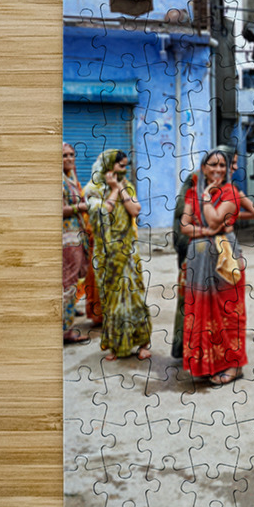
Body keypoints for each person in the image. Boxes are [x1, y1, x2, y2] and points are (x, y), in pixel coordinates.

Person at [180, 148, 248, 386]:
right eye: (213, 165)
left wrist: (208, 203)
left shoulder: (230, 192)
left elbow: (215, 220)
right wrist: (205, 232)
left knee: (229, 311)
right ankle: (208, 363)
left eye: (222, 165)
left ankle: (235, 365)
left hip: (225, 256)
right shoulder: (191, 193)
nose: (218, 170)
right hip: (199, 259)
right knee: (202, 311)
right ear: (204, 167)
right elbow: (185, 226)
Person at [83, 150, 152, 361]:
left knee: (135, 295)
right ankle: (116, 345)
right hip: (106, 254)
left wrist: (119, 187)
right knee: (111, 299)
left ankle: (143, 342)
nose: (124, 169)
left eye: (125, 165)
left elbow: (135, 210)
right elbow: (101, 213)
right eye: (121, 165)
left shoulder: (126, 184)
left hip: (128, 251)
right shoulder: (92, 189)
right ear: (108, 166)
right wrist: (112, 189)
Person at [62, 143, 90, 343]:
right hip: (67, 238)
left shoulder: (71, 177)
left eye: (72, 154)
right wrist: (83, 207)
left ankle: (68, 318)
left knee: (75, 278)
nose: (69, 158)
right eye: (64, 155)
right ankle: (65, 330)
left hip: (76, 235)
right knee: (68, 283)